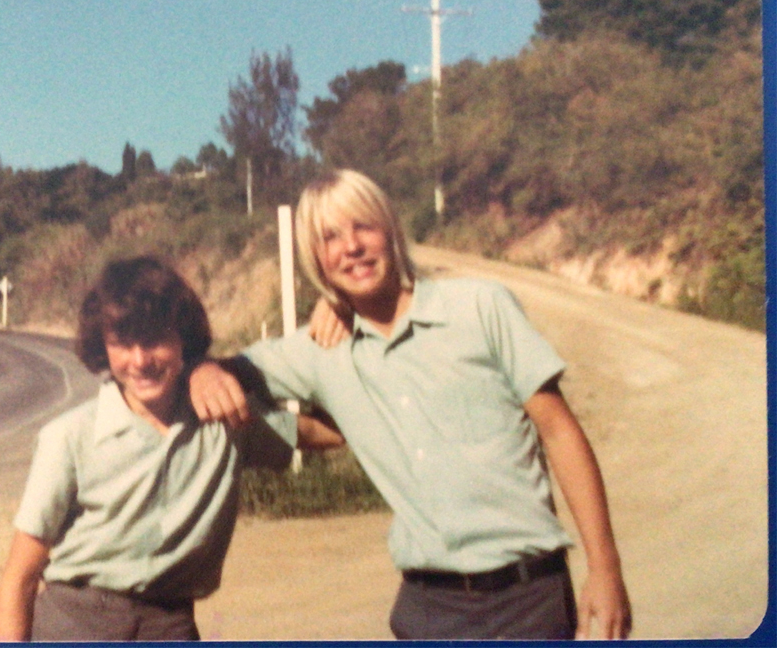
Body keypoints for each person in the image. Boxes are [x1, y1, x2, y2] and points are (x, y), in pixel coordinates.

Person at [189, 169, 632, 640]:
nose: (352, 246)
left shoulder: (480, 308)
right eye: (330, 237)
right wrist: (204, 370)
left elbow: (560, 431)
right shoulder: (318, 352)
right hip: (428, 610)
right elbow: (222, 369)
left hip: (529, 599)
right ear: (316, 258)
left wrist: (605, 570)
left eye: (364, 226)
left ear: (391, 231)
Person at [0, 256, 343, 642]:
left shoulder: (227, 421)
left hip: (171, 624)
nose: (140, 360)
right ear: (103, 347)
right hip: (75, 623)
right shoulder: (69, 437)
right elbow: (19, 580)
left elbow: (332, 432)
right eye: (122, 344)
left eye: (155, 339)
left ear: (184, 341)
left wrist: (342, 316)